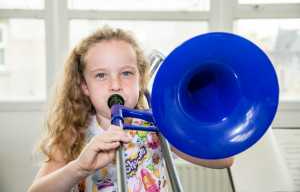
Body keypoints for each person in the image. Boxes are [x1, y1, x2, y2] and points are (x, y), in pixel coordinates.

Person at [28, 26, 234, 192]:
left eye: (126, 73)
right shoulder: (73, 133)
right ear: (84, 86)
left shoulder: (155, 125)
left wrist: (172, 133)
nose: (115, 84)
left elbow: (225, 160)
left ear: (140, 78)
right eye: (101, 75)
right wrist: (79, 168)